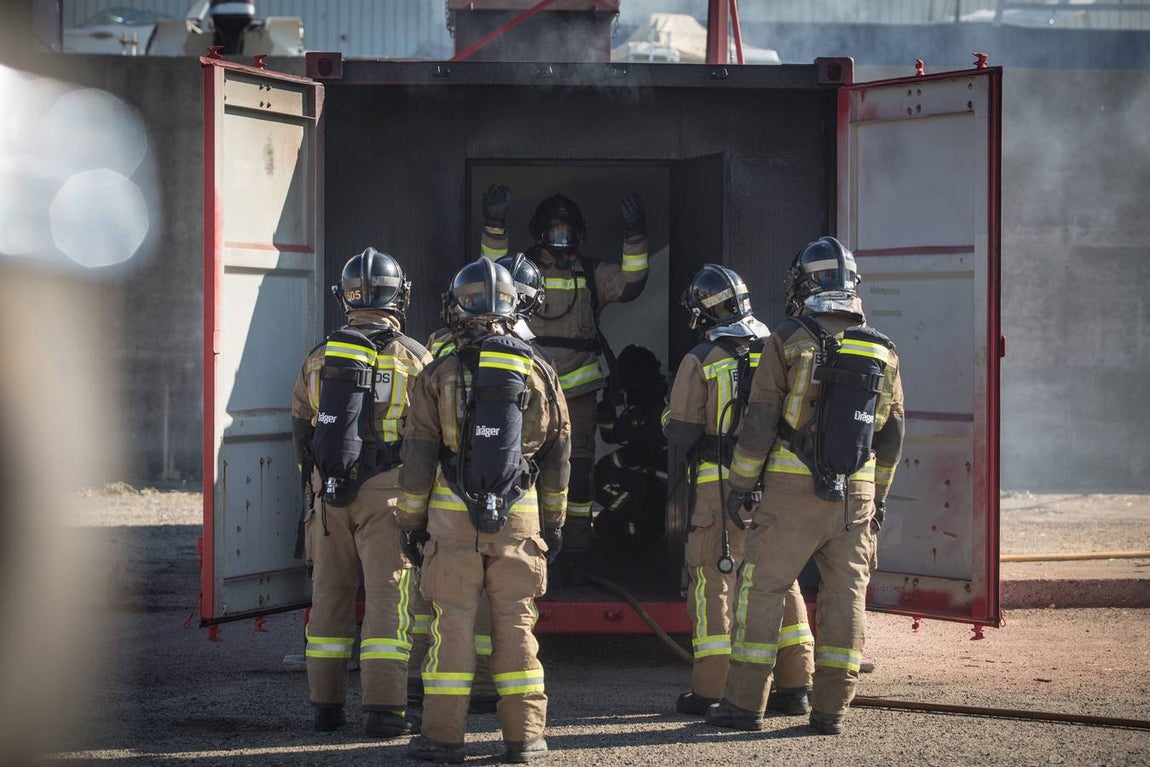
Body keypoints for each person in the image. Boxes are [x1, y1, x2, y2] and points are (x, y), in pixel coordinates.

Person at [704, 237, 904, 736]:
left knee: (762, 589)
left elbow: (761, 420)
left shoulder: (789, 338)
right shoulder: (882, 348)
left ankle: (744, 705)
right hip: (855, 499)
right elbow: (893, 434)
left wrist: (741, 484)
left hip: (791, 494)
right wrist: (876, 498)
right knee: (845, 599)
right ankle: (832, 710)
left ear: (805, 284)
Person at [397, 258, 571, 763]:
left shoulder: (439, 372)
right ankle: (526, 738)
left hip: (452, 522)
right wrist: (555, 522)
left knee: (452, 626)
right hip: (520, 520)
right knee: (517, 624)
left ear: (460, 306)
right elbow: (559, 451)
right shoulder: (538, 369)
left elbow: (418, 458)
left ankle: (443, 738)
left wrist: (410, 523)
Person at [289, 247, 431, 737]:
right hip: (387, 495)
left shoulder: (319, 357)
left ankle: (325, 709)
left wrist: (321, 485)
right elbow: (430, 434)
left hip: (328, 498)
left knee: (328, 598)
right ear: (399, 295)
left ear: (344, 297)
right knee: (389, 602)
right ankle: (384, 713)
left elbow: (302, 429)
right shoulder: (415, 358)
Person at [663, 264, 814, 717]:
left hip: (717, 489)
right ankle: (797, 686)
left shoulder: (703, 358)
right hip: (773, 485)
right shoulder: (776, 346)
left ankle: (712, 690)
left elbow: (682, 432)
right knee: (777, 579)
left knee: (714, 582)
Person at [480, 184, 649, 551]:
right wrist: (494, 227)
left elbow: (631, 284)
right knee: (519, 465)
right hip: (527, 392)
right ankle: (521, 545)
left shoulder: (590, 273)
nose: (561, 238)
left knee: (579, 473)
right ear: (540, 231)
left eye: (567, 231)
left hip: (578, 395)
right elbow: (491, 280)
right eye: (555, 230)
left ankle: (574, 546)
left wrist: (635, 235)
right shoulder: (521, 271)